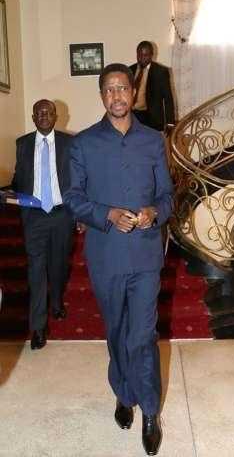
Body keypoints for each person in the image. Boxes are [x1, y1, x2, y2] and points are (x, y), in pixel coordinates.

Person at [64, 63, 173, 456]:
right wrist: (106, 214)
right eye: (109, 90)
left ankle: (149, 411)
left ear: (132, 92)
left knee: (142, 335)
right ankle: (122, 393)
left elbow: (167, 198)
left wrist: (153, 212)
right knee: (117, 333)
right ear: (101, 96)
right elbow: (74, 199)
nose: (117, 96)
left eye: (122, 88)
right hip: (106, 256)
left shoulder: (153, 140)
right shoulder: (84, 144)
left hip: (144, 255)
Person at [11, 99, 74, 350]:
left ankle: (56, 302)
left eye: (48, 112)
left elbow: (78, 180)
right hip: (34, 216)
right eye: (39, 113)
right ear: (33, 117)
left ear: (56, 116)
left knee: (58, 265)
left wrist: (79, 214)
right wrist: (11, 193)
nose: (44, 116)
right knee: (36, 270)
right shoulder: (22, 144)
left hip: (61, 215)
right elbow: (19, 177)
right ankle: (38, 327)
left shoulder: (70, 143)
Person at [130, 40, 175, 131]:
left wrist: (170, 123)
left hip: (152, 118)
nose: (141, 58)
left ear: (152, 55)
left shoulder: (161, 72)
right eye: (139, 55)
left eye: (145, 55)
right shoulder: (129, 70)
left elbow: (168, 98)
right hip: (132, 116)